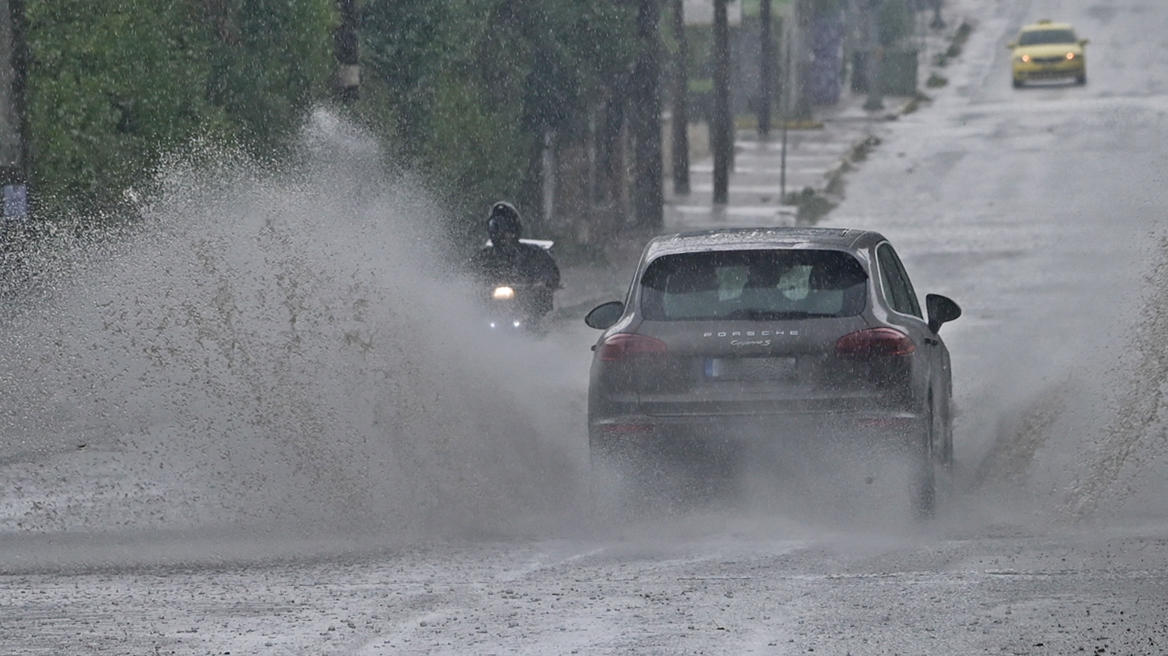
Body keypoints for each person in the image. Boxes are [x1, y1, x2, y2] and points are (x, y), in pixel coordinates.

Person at [466, 201, 561, 324]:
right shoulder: (483, 257)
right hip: (491, 310)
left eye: (506, 229)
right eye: (497, 229)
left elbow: (549, 271)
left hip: (526, 308)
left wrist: (543, 283)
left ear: (515, 230)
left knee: (543, 317)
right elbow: (467, 273)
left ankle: (538, 331)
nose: (502, 235)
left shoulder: (534, 254)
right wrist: (469, 286)